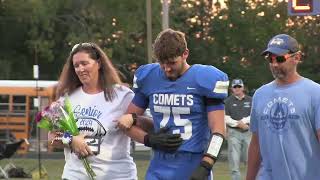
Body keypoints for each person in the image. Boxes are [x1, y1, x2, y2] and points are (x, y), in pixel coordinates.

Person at [117, 28, 229, 180]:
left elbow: (219, 131)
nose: (167, 69)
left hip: (192, 162)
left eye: (171, 62)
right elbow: (126, 123)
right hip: (158, 163)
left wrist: (206, 165)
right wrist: (149, 139)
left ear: (185, 54)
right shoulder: (149, 77)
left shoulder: (204, 78)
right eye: (162, 63)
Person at [49, 42, 137, 180]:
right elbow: (52, 137)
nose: (80, 69)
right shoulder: (65, 98)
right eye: (76, 65)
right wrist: (71, 140)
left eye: (84, 63)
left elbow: (146, 122)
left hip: (117, 175)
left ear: (99, 63)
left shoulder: (124, 95)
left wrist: (133, 118)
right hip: (75, 175)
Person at [246, 34, 320, 180]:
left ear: (297, 58)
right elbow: (256, 144)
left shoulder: (315, 93)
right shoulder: (260, 95)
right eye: (270, 59)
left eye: (280, 59)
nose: (274, 64)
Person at [225, 78, 252, 180]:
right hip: (233, 133)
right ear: (232, 88)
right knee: (234, 162)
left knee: (249, 160)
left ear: (243, 88)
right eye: (235, 87)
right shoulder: (227, 101)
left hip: (248, 132)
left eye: (239, 86)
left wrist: (244, 122)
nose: (237, 89)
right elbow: (226, 118)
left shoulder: (250, 100)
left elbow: (254, 115)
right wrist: (238, 124)